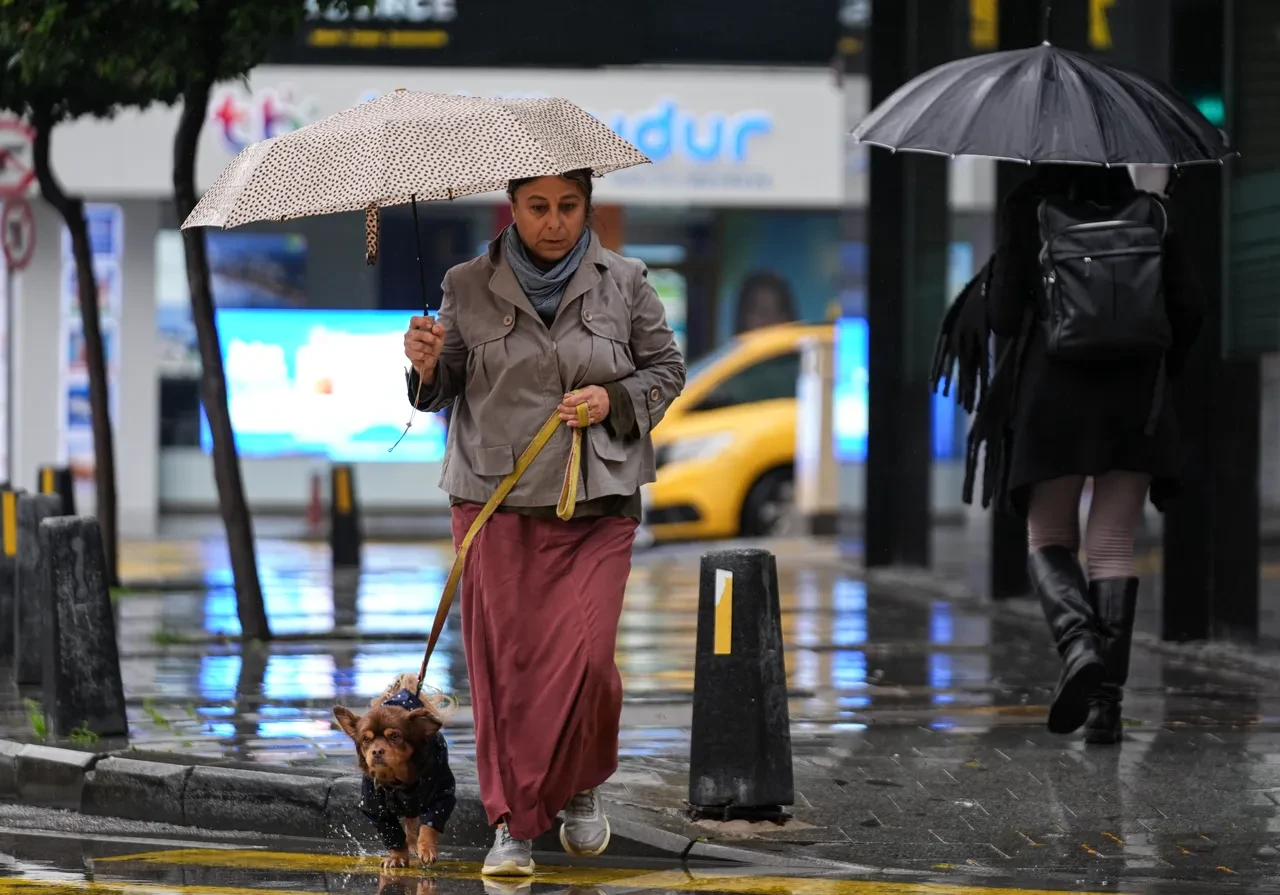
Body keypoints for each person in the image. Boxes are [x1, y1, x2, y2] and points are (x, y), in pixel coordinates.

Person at [401, 168, 686, 876]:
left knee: (589, 665)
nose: (553, 221)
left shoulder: (626, 280)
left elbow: (667, 369)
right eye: (538, 207)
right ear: (513, 207)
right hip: (494, 500)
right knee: (508, 673)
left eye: (567, 206)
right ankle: (512, 823)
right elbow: (444, 391)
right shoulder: (466, 284)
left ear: (586, 206)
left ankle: (581, 781)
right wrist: (427, 368)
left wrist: (612, 400)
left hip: (597, 502)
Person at [935, 164, 1203, 745]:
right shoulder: (1151, 213)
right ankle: (1106, 706)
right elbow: (1190, 313)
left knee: (1050, 538)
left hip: (1052, 397)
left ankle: (1078, 643)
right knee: (1112, 545)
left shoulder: (1029, 209)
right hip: (1135, 401)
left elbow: (1005, 317)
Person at [733, 269, 797, 334]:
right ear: (745, 317)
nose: (771, 321)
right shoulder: (731, 343)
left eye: (779, 312)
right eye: (762, 311)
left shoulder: (803, 342)